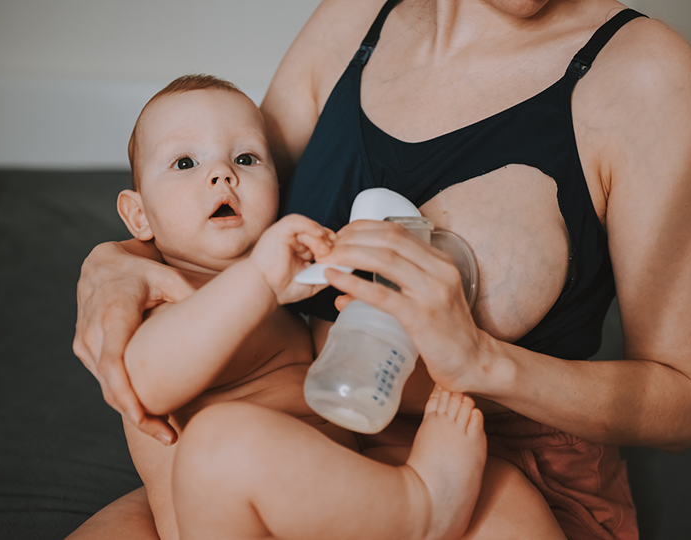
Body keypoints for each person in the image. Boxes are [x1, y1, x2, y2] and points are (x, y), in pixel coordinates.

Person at [72, 0, 691, 538]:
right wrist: (114, 261)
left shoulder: (639, 74)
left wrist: (488, 364)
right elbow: (221, 204)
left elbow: (688, 401)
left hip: (475, 446)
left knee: (502, 504)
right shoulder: (355, 16)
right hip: (307, 451)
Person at [73, 73, 563, 540]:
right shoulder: (158, 295)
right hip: (224, 520)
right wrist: (260, 278)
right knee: (217, 442)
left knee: (503, 491)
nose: (222, 174)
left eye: (246, 159)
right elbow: (143, 383)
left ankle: (402, 501)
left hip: (333, 503)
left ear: (280, 193)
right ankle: (419, 508)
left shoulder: (285, 286)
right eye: (185, 163)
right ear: (138, 214)